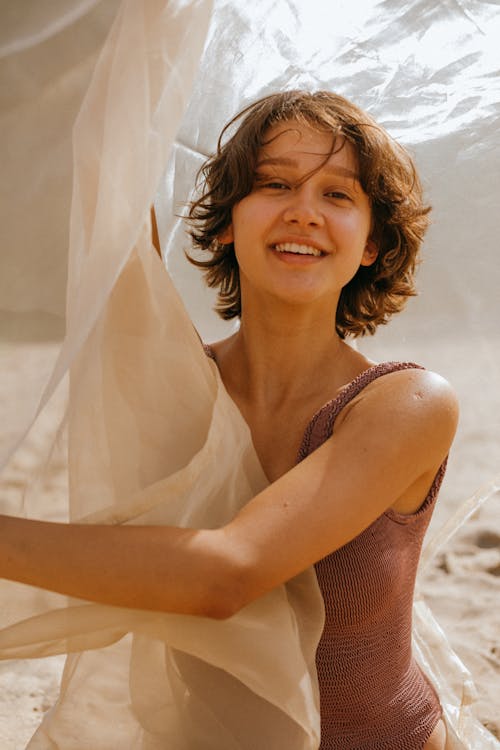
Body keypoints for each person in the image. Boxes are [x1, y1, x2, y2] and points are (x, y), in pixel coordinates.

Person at [1, 90, 459, 749]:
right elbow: (109, 184)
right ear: (224, 223)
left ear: (371, 243)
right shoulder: (176, 387)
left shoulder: (407, 403)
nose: (304, 212)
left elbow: (227, 576)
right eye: (275, 183)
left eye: (338, 195)